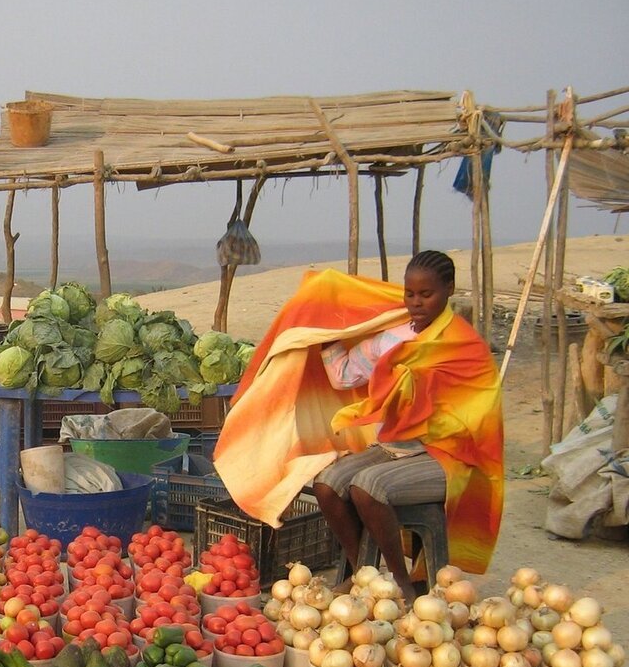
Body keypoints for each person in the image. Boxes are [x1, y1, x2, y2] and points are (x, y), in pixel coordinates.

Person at [213, 252, 503, 598]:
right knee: (327, 485)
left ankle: (401, 584)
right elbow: (344, 374)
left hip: (448, 456)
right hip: (397, 447)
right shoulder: (392, 336)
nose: (416, 303)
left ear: (449, 290)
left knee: (367, 487)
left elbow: (478, 418)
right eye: (410, 294)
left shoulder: (463, 345)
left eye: (427, 295)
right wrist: (327, 329)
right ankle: (363, 571)